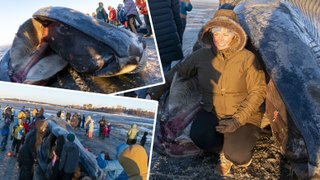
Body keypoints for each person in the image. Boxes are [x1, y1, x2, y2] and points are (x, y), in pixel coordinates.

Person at [148, 9, 266, 176]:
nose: (220, 38)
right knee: (199, 137)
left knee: (238, 156)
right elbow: (177, 71)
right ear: (211, 33)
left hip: (243, 115)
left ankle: (234, 150)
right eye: (217, 32)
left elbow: (258, 91)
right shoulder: (201, 56)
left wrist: (238, 120)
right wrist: (153, 93)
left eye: (226, 33)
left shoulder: (248, 58)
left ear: (235, 34)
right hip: (213, 110)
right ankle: (224, 149)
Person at [148, 0, 184, 73]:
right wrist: (179, 39)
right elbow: (177, 17)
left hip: (158, 36)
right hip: (167, 35)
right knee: (165, 69)